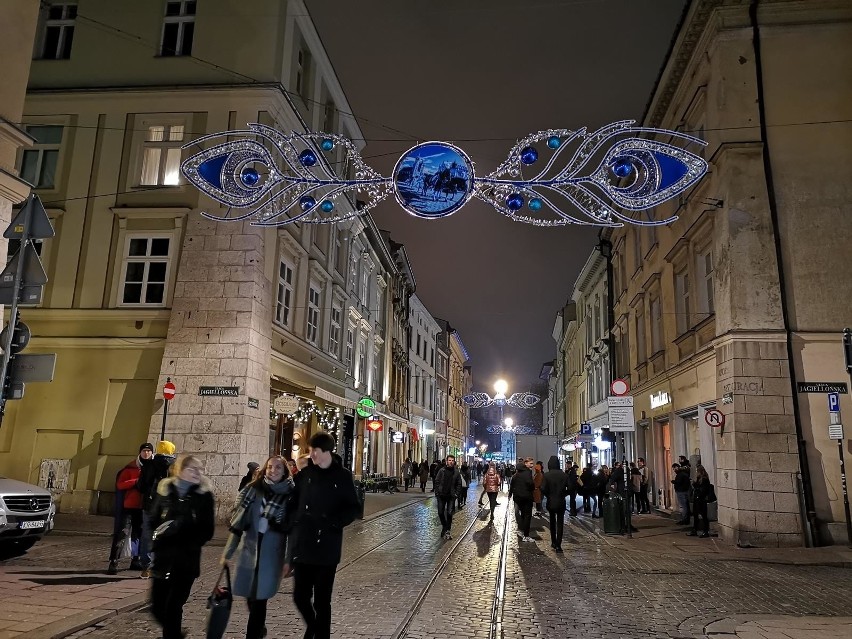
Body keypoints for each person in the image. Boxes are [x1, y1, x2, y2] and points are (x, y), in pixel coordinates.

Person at [287, 431, 359, 639]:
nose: (312, 455)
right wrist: (293, 521)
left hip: (327, 546)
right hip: (304, 544)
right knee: (300, 596)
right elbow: (293, 502)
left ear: (327, 452)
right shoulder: (305, 475)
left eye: (315, 451)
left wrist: (334, 523)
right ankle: (314, 627)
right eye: (310, 451)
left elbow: (353, 507)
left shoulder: (342, 475)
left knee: (321, 600)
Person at [223, 455, 295, 639]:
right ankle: (259, 626)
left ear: (285, 471)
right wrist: (228, 553)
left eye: (278, 468)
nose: (273, 471)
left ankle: (253, 634)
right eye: (270, 467)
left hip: (272, 554)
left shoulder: (291, 494)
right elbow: (237, 524)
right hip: (250, 550)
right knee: (250, 596)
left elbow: (293, 531)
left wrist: (289, 560)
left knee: (260, 599)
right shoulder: (252, 489)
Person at [149, 454, 215, 639]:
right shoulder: (165, 490)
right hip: (163, 557)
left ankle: (171, 636)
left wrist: (186, 534)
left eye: (200, 469)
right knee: (157, 606)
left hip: (187, 559)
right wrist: (158, 538)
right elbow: (153, 518)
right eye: (192, 469)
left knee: (174, 604)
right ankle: (176, 634)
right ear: (180, 470)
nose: (197, 473)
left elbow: (207, 530)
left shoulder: (204, 495)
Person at [108, 443, 151, 575]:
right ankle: (114, 561)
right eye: (144, 451)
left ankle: (135, 560)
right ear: (140, 452)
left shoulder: (152, 469)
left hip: (142, 508)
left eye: (149, 451)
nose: (146, 453)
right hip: (129, 507)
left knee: (138, 535)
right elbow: (120, 485)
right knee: (122, 533)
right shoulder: (130, 468)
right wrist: (135, 482)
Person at [137, 440, 177, 579]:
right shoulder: (176, 467)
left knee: (147, 536)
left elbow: (141, 486)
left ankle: (146, 568)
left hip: (150, 505)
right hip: (168, 507)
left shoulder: (148, 465)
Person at [540, 456, 568, 552]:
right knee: (560, 523)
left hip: (551, 501)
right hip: (561, 501)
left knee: (552, 522)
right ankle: (559, 545)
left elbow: (542, 488)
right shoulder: (564, 475)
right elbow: (571, 488)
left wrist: (548, 495)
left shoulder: (547, 475)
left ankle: (553, 541)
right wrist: (564, 494)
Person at [434, 455, 462, 539]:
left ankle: (447, 530)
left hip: (451, 496)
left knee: (449, 513)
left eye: (452, 460)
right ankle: (444, 526)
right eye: (449, 460)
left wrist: (456, 494)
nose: (451, 462)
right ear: (446, 461)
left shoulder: (456, 472)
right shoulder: (441, 471)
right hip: (441, 495)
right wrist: (437, 492)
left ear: (454, 462)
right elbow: (437, 481)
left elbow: (459, 484)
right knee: (440, 512)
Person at [509, 457, 535, 542]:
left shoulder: (516, 474)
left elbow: (512, 485)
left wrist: (511, 494)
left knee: (522, 514)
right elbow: (530, 484)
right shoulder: (527, 473)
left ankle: (521, 530)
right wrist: (532, 488)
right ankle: (526, 535)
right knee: (527, 515)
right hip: (526, 497)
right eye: (531, 463)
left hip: (518, 497)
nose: (532, 465)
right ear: (525, 463)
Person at [687, 465, 714, 538]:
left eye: (697, 471)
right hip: (697, 499)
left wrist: (695, 486)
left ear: (700, 471)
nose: (696, 472)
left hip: (701, 500)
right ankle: (695, 530)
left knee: (704, 516)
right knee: (695, 515)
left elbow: (703, 490)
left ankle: (705, 531)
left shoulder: (704, 479)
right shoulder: (699, 478)